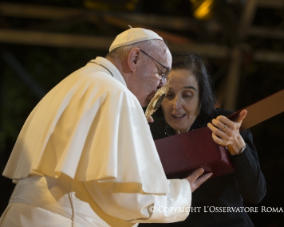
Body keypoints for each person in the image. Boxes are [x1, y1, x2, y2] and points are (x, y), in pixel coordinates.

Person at [0, 29, 212, 227]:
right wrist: (181, 192)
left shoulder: (73, 83)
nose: (161, 86)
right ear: (135, 58)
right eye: (161, 72)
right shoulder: (117, 95)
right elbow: (125, 197)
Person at [141, 53, 267, 227]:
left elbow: (256, 194)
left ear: (202, 96)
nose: (176, 104)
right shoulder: (147, 130)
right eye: (169, 95)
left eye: (187, 95)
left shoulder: (226, 124)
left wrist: (238, 146)